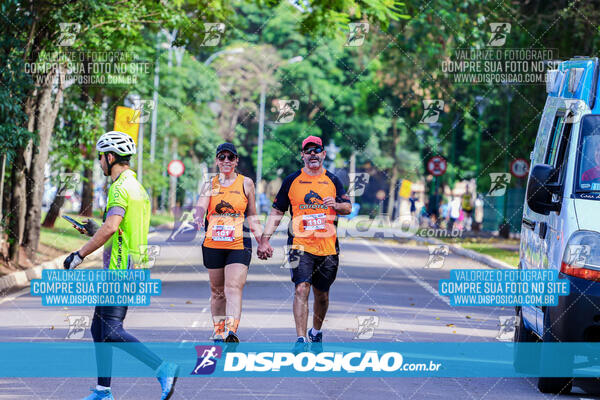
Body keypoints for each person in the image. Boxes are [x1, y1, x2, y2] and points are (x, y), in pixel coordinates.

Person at [63, 131, 178, 400]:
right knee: (99, 329)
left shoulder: (119, 188)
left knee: (112, 330)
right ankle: (103, 390)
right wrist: (96, 229)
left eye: (101, 157)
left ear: (111, 157)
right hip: (130, 266)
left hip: (120, 269)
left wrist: (79, 255)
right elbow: (120, 227)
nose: (99, 162)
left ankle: (163, 367)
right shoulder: (136, 187)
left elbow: (112, 226)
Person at [257, 136, 352, 352]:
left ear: (323, 154)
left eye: (316, 150)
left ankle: (315, 332)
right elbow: (277, 211)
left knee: (322, 294)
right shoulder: (292, 181)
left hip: (327, 247)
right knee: (301, 288)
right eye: (308, 151)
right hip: (299, 245)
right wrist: (265, 239)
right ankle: (300, 340)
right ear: (302, 155)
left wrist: (336, 205)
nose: (312, 154)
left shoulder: (333, 181)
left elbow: (348, 207)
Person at [194, 143, 263, 343]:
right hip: (213, 243)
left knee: (232, 286)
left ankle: (231, 330)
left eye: (230, 157)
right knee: (217, 291)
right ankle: (218, 329)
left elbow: (252, 215)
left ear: (236, 161)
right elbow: (201, 205)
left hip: (238, 243)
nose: (226, 161)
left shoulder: (246, 183)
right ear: (216, 160)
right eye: (222, 157)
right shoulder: (210, 185)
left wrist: (262, 241)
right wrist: (198, 216)